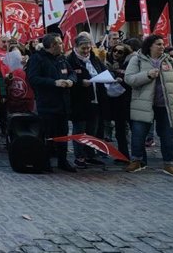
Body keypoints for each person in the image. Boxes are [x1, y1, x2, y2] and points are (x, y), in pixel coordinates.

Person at [124, 34, 173, 177]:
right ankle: (137, 161)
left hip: (166, 105)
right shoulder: (137, 59)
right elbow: (129, 79)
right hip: (143, 105)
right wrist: (148, 75)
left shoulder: (169, 60)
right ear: (149, 46)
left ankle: (169, 164)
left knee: (168, 135)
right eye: (158, 44)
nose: (162, 47)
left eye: (163, 44)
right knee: (138, 134)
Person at [27, 33, 77, 172]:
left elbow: (72, 73)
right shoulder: (37, 58)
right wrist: (54, 83)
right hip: (47, 104)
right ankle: (45, 161)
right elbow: (33, 78)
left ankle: (63, 160)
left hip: (63, 104)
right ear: (53, 46)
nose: (62, 45)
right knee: (47, 135)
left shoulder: (61, 58)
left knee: (63, 134)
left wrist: (71, 81)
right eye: (60, 43)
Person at [66, 34, 108, 169]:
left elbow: (104, 71)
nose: (86, 51)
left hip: (95, 99)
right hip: (79, 101)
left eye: (88, 48)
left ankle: (91, 154)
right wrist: (79, 82)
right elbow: (68, 78)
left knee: (92, 129)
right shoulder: (70, 60)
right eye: (83, 48)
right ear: (76, 47)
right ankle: (79, 156)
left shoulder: (94, 59)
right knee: (80, 129)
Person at [103, 43, 132, 161]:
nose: (116, 53)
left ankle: (124, 155)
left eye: (120, 52)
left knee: (121, 129)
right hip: (109, 101)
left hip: (124, 101)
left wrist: (120, 77)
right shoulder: (106, 62)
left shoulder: (128, 64)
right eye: (115, 50)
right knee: (105, 127)